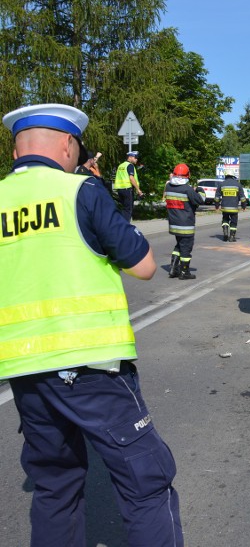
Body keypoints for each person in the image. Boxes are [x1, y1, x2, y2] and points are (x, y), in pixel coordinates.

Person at [0, 104, 183, 547]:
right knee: (146, 482)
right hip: (90, 365)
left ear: (16, 147)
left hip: (24, 371)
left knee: (54, 488)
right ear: (67, 144)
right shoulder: (80, 190)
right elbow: (143, 266)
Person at [164, 163, 205, 279]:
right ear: (187, 175)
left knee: (179, 245)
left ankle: (173, 269)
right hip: (186, 225)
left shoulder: (168, 187)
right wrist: (200, 189)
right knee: (186, 248)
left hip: (174, 224)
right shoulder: (188, 189)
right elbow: (201, 200)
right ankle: (184, 272)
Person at [214, 167, 247, 242]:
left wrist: (217, 206)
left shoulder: (221, 184)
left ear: (226, 175)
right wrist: (244, 206)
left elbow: (216, 197)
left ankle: (225, 230)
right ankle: (232, 236)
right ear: (233, 176)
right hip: (234, 208)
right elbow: (242, 198)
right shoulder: (238, 185)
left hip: (224, 207)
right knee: (234, 222)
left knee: (225, 219)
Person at [113, 150, 144, 221]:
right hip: (127, 189)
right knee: (128, 210)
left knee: (124, 208)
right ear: (130, 157)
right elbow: (131, 178)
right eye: (135, 157)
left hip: (120, 190)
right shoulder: (130, 166)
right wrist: (138, 190)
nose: (137, 159)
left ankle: (121, 224)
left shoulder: (121, 165)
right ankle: (125, 227)